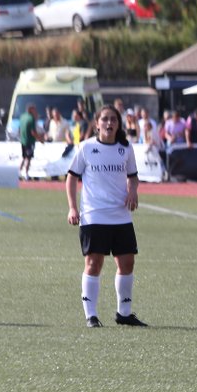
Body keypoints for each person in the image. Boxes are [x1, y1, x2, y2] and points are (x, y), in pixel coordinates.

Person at [64, 104, 147, 328]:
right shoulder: (86, 147)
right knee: (93, 263)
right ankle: (91, 315)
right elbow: (71, 178)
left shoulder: (125, 148)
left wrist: (132, 191)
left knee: (127, 262)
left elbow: (133, 176)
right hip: (94, 215)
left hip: (121, 216)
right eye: (105, 119)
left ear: (118, 124)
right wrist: (73, 208)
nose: (109, 123)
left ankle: (124, 313)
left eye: (113, 119)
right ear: (97, 124)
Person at [18, 103, 41, 180]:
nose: (35, 111)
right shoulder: (31, 118)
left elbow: (19, 129)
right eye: (34, 110)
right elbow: (33, 132)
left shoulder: (22, 117)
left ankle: (18, 172)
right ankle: (26, 173)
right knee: (28, 158)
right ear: (31, 109)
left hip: (23, 140)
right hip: (29, 141)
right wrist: (40, 139)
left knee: (24, 157)